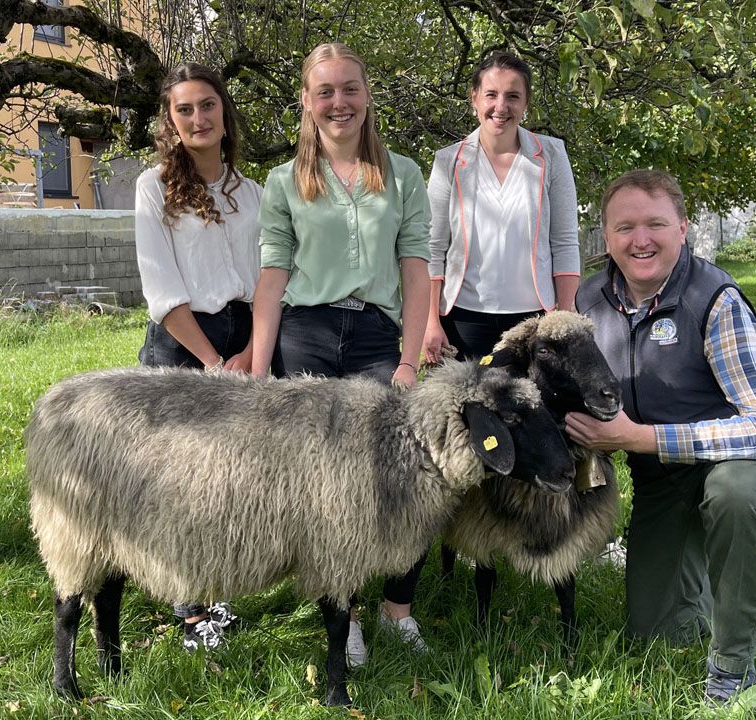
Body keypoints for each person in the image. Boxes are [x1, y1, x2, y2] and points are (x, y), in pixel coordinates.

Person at [564, 169, 756, 706]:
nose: (640, 240)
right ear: (605, 236)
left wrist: (640, 437)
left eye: (655, 224)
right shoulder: (589, 301)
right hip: (663, 477)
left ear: (683, 229)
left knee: (734, 499)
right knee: (656, 633)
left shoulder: (715, 300)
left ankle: (732, 669)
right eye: (624, 227)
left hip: (739, 461)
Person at [249, 42, 431, 666]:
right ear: (307, 101)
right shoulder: (285, 182)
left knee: (409, 471)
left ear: (367, 94)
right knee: (325, 484)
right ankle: (342, 612)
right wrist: (257, 371)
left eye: (349, 88)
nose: (338, 102)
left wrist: (409, 362)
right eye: (324, 91)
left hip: (378, 337)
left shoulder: (403, 175)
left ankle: (398, 609)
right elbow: (272, 280)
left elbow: (415, 272)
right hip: (307, 334)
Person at [134, 62, 263, 651]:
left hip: (246, 341)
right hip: (184, 343)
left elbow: (267, 280)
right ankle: (188, 608)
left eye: (206, 105)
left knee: (231, 476)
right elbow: (162, 290)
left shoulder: (253, 192)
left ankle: (223, 593)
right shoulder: (152, 187)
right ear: (171, 120)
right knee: (179, 479)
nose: (197, 118)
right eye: (184, 109)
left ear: (223, 111)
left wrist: (250, 353)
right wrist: (213, 361)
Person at [423, 51, 580, 366]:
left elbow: (564, 240)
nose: (501, 106)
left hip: (534, 320)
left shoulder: (551, 155)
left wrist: (566, 315)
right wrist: (429, 322)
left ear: (525, 102)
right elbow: (432, 247)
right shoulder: (448, 161)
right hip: (462, 320)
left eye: (513, 96)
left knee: (532, 410)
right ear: (475, 98)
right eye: (491, 94)